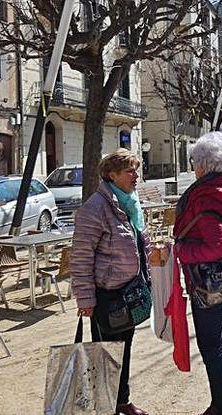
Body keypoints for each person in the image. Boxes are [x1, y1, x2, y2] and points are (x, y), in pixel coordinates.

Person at [173, 131, 222, 415]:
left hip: (208, 283)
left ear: (204, 166)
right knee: (213, 347)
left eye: (195, 162)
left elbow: (216, 246)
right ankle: (220, 405)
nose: (193, 168)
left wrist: (181, 252)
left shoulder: (206, 197)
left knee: (211, 348)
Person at [71, 149, 149, 415]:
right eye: (130, 171)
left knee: (123, 351)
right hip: (106, 297)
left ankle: (121, 401)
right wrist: (85, 299)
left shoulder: (128, 203)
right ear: (112, 175)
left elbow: (138, 243)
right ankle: (106, 407)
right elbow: (80, 258)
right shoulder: (95, 208)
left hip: (128, 293)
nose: (135, 176)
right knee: (106, 355)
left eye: (135, 170)